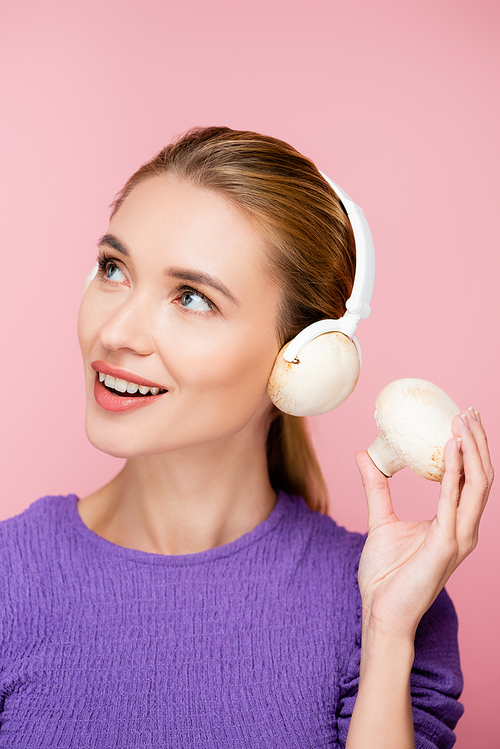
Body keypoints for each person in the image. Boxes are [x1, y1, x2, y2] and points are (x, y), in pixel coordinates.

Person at [0, 127, 493, 748]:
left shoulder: (387, 604)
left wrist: (387, 632)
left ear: (306, 363)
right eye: (113, 268)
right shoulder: (9, 578)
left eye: (192, 298)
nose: (116, 332)